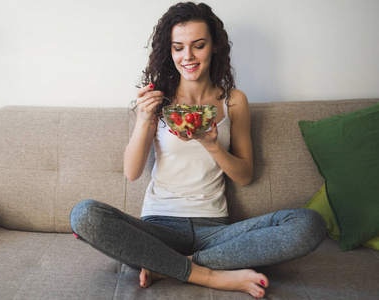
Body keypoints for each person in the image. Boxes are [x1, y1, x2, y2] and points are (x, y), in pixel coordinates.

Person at [70, 2, 326, 299]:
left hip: (216, 233)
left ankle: (172, 267)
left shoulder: (233, 101)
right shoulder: (157, 100)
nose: (187, 56)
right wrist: (143, 118)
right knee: (84, 214)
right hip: (158, 230)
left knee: (309, 223)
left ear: (215, 46)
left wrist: (213, 145)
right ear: (170, 51)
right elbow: (131, 172)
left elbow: (244, 176)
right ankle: (211, 276)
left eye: (198, 45)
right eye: (178, 47)